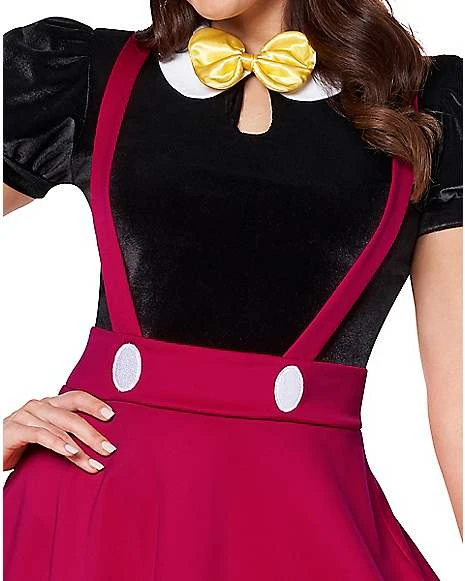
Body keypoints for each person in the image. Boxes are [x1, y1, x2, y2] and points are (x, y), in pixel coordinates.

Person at [3, 1, 462, 579]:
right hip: (96, 509)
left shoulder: (428, 106)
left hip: (300, 525)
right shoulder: (84, 73)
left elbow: (459, 394)